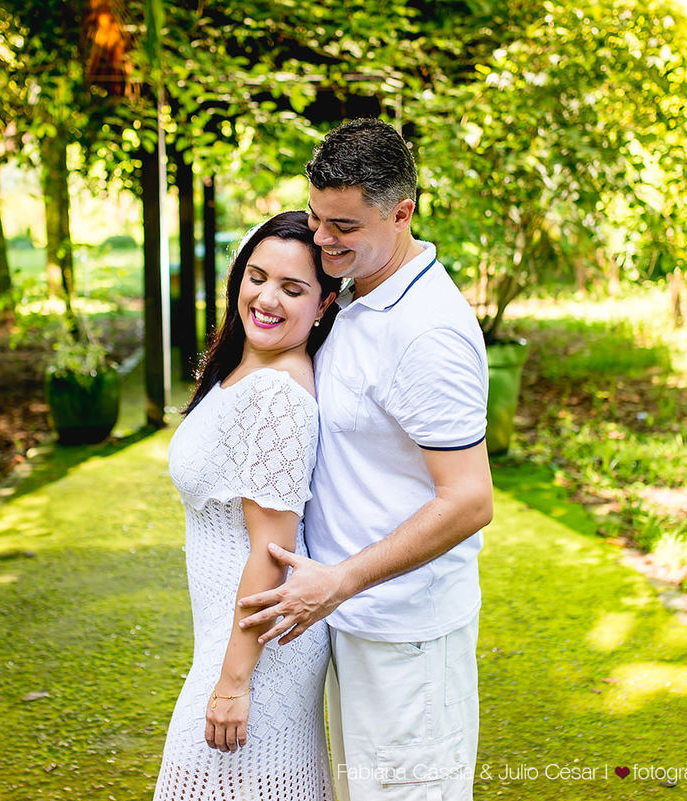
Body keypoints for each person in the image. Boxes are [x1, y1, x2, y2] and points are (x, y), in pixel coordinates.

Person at [238, 119, 495, 800]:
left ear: (402, 211)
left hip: (406, 637)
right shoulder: (356, 292)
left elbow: (470, 499)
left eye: (342, 226)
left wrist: (342, 579)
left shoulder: (429, 332)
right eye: (318, 219)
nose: (322, 239)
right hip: (349, 621)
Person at [154, 211, 339, 801]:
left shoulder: (280, 396)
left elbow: (274, 551)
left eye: (293, 289)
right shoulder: (246, 364)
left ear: (325, 303)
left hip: (258, 643)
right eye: (256, 277)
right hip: (231, 631)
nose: (266, 298)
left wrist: (234, 681)